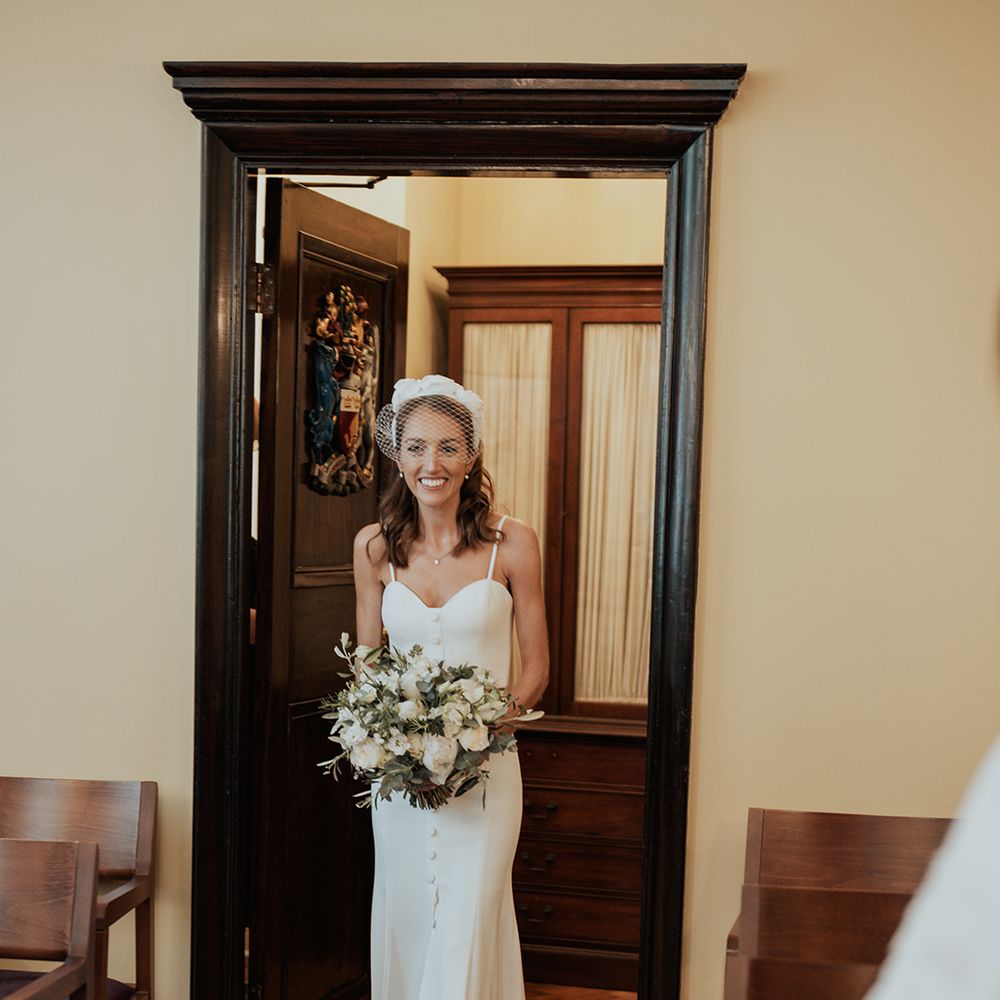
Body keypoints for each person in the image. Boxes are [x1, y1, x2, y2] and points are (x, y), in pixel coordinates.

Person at [353, 373, 549, 1000]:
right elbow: (368, 668)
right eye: (415, 447)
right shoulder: (373, 549)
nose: (430, 463)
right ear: (398, 456)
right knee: (408, 920)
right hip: (401, 785)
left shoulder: (512, 543)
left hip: (486, 777)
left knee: (469, 922)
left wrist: (474, 743)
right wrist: (399, 748)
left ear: (471, 456)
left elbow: (536, 669)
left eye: (446, 447)